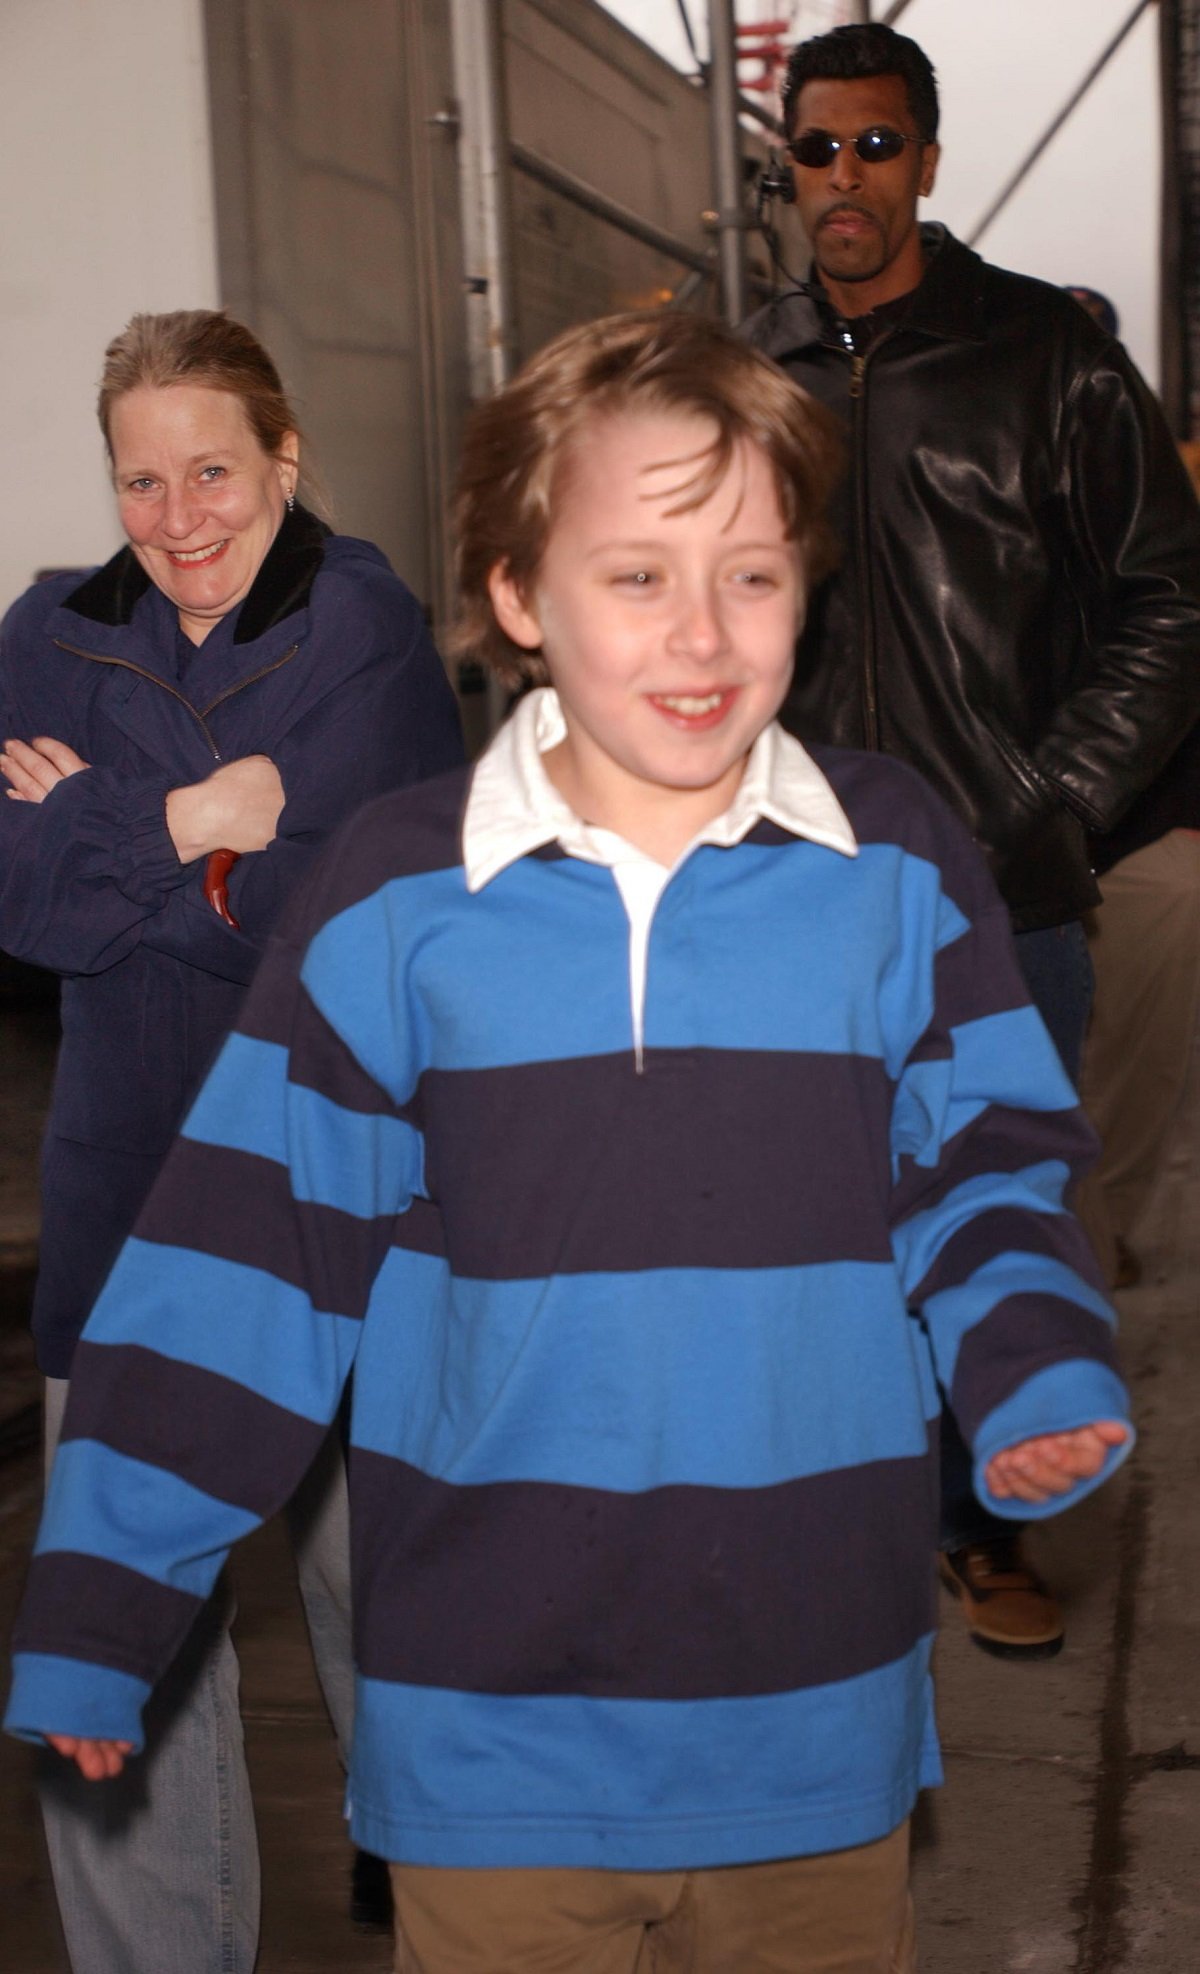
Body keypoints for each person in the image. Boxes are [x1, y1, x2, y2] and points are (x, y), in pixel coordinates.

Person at [6, 310, 1132, 1974]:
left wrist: (1028, 1355)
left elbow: (982, 1159)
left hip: (814, 1726)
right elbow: (247, 1258)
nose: (703, 632)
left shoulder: (891, 856)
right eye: (635, 575)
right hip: (490, 1738)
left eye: (750, 572)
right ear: (521, 600)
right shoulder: (399, 891)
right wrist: (107, 1598)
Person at [0, 309, 463, 1972]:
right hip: (128, 1219)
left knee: (395, 1632)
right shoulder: (48, 631)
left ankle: (443, 1908)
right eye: (142, 479)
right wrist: (205, 820)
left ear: (283, 459)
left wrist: (97, 835)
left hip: (343, 1213)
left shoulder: (365, 626)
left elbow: (327, 916)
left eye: (215, 469)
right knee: (113, 1664)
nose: (180, 516)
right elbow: (17, 902)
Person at [743, 19, 1200, 1659]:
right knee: (810, 1223)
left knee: (992, 1223)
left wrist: (1052, 799)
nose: (845, 178)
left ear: (929, 159)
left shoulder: (1047, 359)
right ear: (786, 169)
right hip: (791, 889)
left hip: (1005, 894)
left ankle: (983, 1525)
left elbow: (1170, 596)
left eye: (876, 146)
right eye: (817, 151)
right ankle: (853, 1524)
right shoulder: (750, 371)